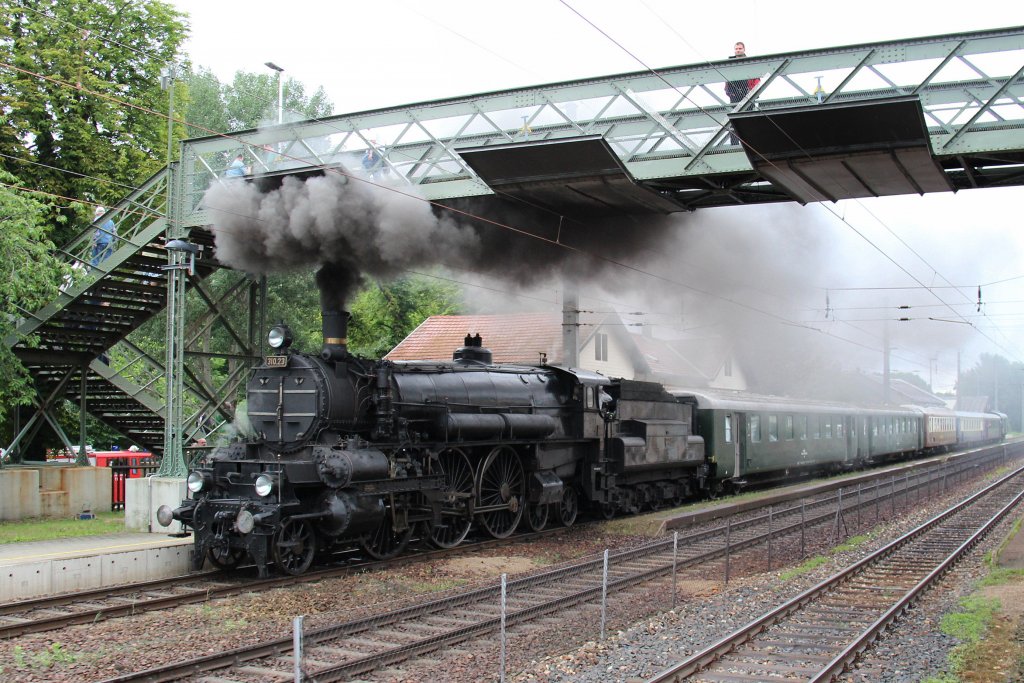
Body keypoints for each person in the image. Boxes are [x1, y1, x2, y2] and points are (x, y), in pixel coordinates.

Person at [724, 41, 761, 145]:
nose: (738, 50)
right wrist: (729, 93)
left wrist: (754, 93)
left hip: (748, 94)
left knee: (748, 121)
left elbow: (756, 79)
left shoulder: (749, 62)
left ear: (744, 49)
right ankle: (734, 146)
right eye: (736, 49)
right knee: (734, 122)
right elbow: (726, 81)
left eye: (740, 48)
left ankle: (750, 144)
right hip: (734, 96)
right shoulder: (729, 64)